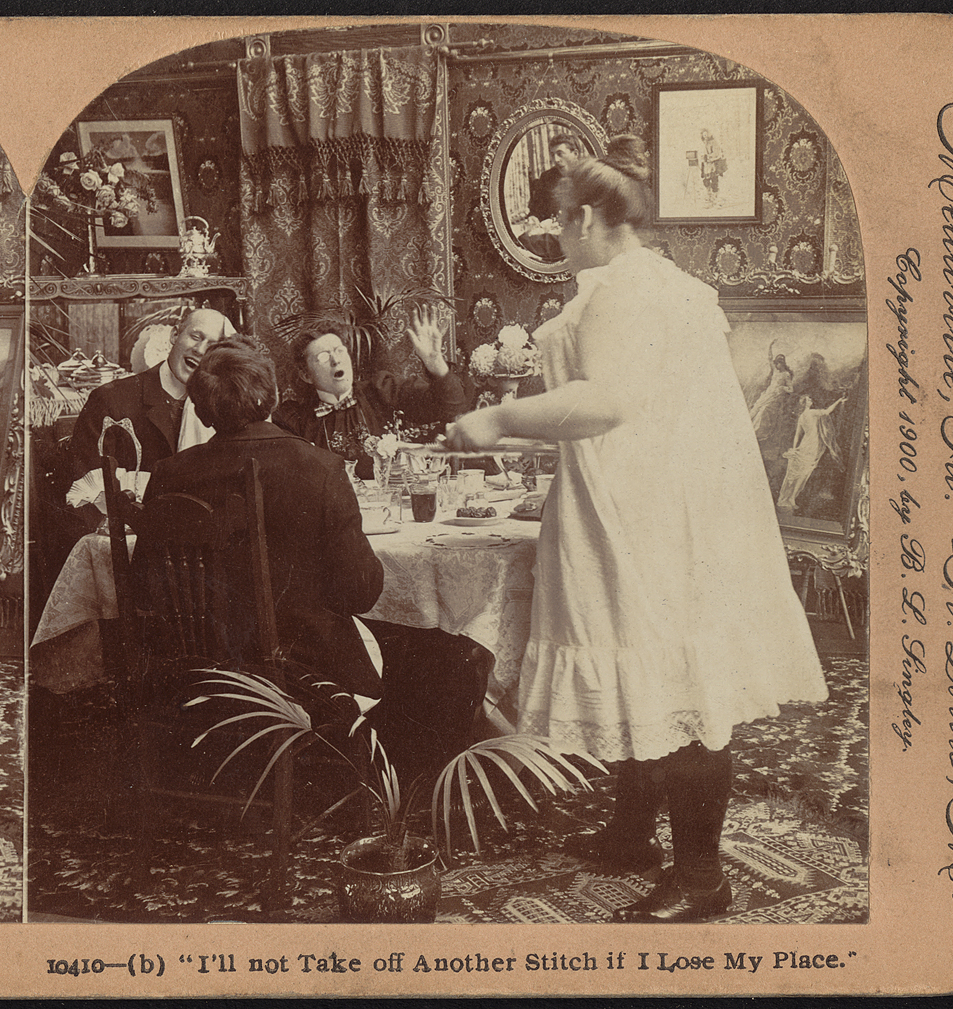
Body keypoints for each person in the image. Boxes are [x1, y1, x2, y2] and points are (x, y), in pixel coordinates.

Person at [444, 135, 824, 923]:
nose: (552, 234)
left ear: (584, 216)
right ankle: (629, 832)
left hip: (647, 515)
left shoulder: (624, 292)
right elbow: (620, 409)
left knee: (675, 682)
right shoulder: (660, 284)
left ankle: (701, 878)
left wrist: (495, 416)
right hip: (656, 500)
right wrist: (507, 430)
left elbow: (609, 401)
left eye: (554, 219)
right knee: (651, 674)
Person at [139, 339, 485, 787]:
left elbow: (147, 586)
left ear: (204, 412)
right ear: (272, 394)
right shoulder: (318, 468)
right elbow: (360, 591)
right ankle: (409, 791)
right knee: (446, 649)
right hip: (300, 667)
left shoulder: (170, 473)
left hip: (197, 664)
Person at [271, 305, 470, 477]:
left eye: (340, 350)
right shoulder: (297, 419)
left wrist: (435, 363)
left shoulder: (382, 389)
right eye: (323, 357)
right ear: (306, 375)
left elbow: (451, 408)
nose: (336, 360)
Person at [67, 307, 233, 483]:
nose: (200, 350)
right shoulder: (110, 400)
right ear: (175, 335)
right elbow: (83, 487)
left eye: (212, 346)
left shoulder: (223, 406)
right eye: (195, 337)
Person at [777, 395, 845, 511]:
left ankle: (791, 497)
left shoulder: (801, 417)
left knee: (802, 473)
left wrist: (795, 448)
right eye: (809, 399)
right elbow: (827, 411)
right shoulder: (811, 413)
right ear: (804, 403)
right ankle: (792, 497)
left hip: (806, 445)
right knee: (804, 473)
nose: (811, 400)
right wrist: (839, 401)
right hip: (812, 445)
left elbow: (797, 436)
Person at [699, 128, 728, 208]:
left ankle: (716, 200)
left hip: (713, 165)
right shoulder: (703, 143)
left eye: (706, 135)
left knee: (714, 181)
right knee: (706, 182)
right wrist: (703, 158)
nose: (705, 137)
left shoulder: (714, 142)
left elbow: (717, 153)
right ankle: (709, 199)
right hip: (706, 166)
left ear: (709, 134)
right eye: (703, 135)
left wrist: (708, 157)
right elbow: (702, 153)